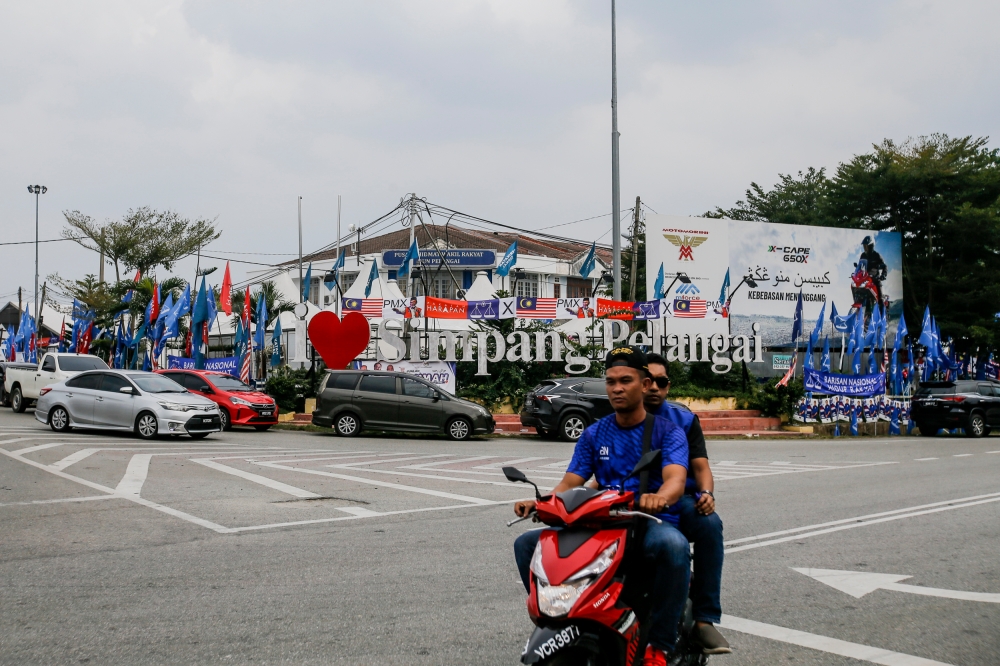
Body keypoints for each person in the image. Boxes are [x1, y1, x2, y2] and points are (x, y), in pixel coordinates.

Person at [513, 347, 691, 666]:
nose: (617, 388)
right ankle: (556, 617)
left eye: (625, 380)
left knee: (674, 547)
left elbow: (675, 479)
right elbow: (571, 482)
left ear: (644, 383)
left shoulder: (668, 432)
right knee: (528, 544)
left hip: (645, 519)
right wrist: (540, 502)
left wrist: (660, 497)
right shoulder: (595, 433)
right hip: (602, 521)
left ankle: (660, 646)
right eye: (611, 381)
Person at [643, 353, 732, 655]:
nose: (654, 387)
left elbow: (701, 468)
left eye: (662, 381)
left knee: (710, 523)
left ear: (668, 386)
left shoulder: (682, 420)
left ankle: (705, 621)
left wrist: (706, 493)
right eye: (648, 380)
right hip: (634, 501)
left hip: (677, 501)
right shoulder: (620, 419)